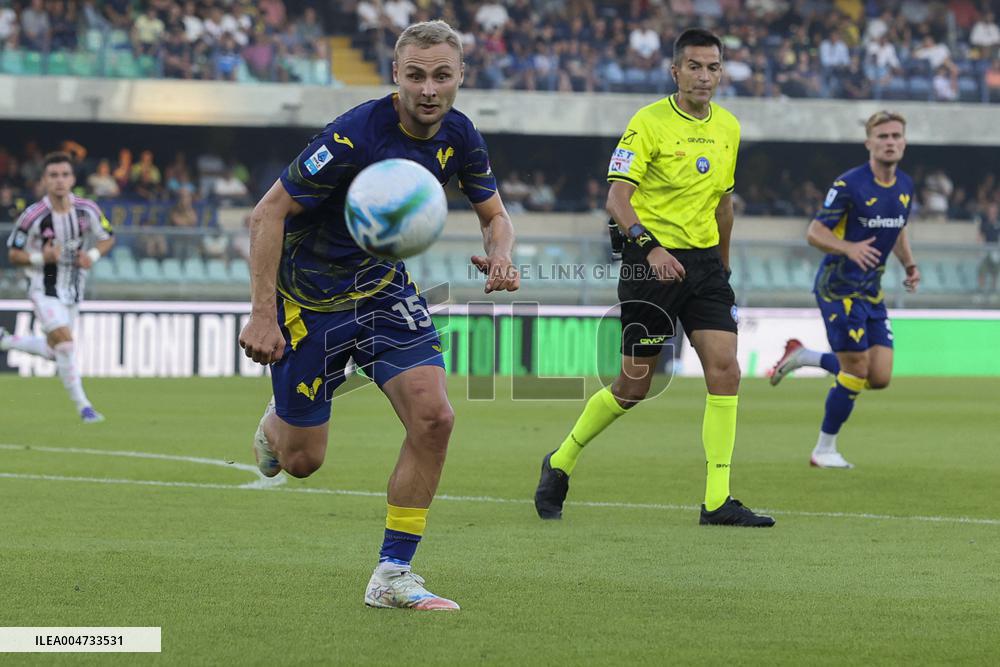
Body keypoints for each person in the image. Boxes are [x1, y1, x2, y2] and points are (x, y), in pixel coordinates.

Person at [238, 20, 518, 611]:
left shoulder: (462, 135)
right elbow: (267, 214)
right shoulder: (353, 135)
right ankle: (276, 425)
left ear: (461, 77)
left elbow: (495, 215)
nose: (429, 89)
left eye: (442, 76)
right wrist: (263, 315)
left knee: (435, 418)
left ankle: (393, 573)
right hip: (310, 302)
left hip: (383, 291)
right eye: (415, 75)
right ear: (396, 75)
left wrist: (501, 255)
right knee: (302, 461)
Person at [533, 29, 773, 528]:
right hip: (650, 267)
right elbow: (616, 200)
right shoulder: (647, 123)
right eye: (694, 67)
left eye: (712, 67)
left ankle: (717, 500)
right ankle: (561, 460)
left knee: (725, 371)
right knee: (633, 387)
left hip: (704, 267)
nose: (704, 76)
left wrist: (723, 263)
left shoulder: (728, 126)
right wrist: (652, 248)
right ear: (675, 71)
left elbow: (723, 205)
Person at [768, 111, 920, 469]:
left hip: (871, 291)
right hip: (838, 288)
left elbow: (898, 228)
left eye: (896, 136)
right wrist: (849, 248)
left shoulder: (905, 185)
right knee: (855, 370)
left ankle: (804, 356)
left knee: (879, 377)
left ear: (904, 142)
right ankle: (824, 450)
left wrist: (910, 265)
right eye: (882, 136)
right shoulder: (849, 184)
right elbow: (814, 232)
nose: (890, 142)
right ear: (869, 143)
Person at [1, 152, 115, 423]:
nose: (60, 180)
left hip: (74, 289)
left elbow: (108, 236)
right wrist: (42, 257)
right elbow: (13, 254)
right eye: (53, 175)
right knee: (65, 344)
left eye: (65, 175)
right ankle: (84, 407)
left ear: (73, 179)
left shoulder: (88, 210)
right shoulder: (32, 216)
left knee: (56, 350)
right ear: (44, 180)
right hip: (44, 288)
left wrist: (92, 256)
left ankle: (5, 341)